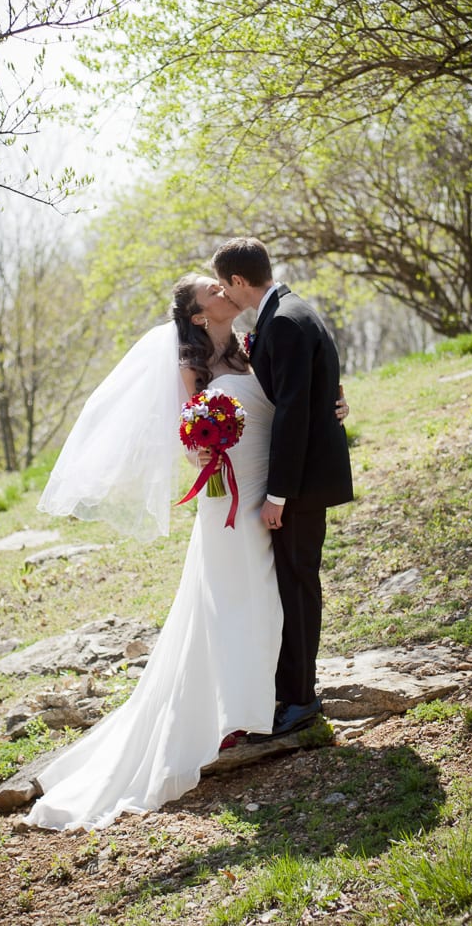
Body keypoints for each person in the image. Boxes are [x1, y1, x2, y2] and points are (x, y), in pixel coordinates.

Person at [23, 273, 348, 832]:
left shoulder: (251, 346)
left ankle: (266, 698)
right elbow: (187, 428)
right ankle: (235, 710)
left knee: (268, 595)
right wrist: (203, 444)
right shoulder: (190, 363)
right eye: (212, 293)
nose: (224, 294)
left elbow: (287, 399)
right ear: (200, 316)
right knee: (235, 596)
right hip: (228, 495)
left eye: (223, 288)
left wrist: (332, 404)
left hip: (265, 487)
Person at [213, 238, 354, 739]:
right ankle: (291, 689)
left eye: (224, 286)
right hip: (303, 475)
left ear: (237, 281)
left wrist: (279, 495)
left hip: (301, 482)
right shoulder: (290, 312)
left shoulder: (285, 322)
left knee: (297, 585)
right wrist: (336, 399)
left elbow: (293, 413)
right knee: (294, 582)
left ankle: (300, 698)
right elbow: (310, 389)